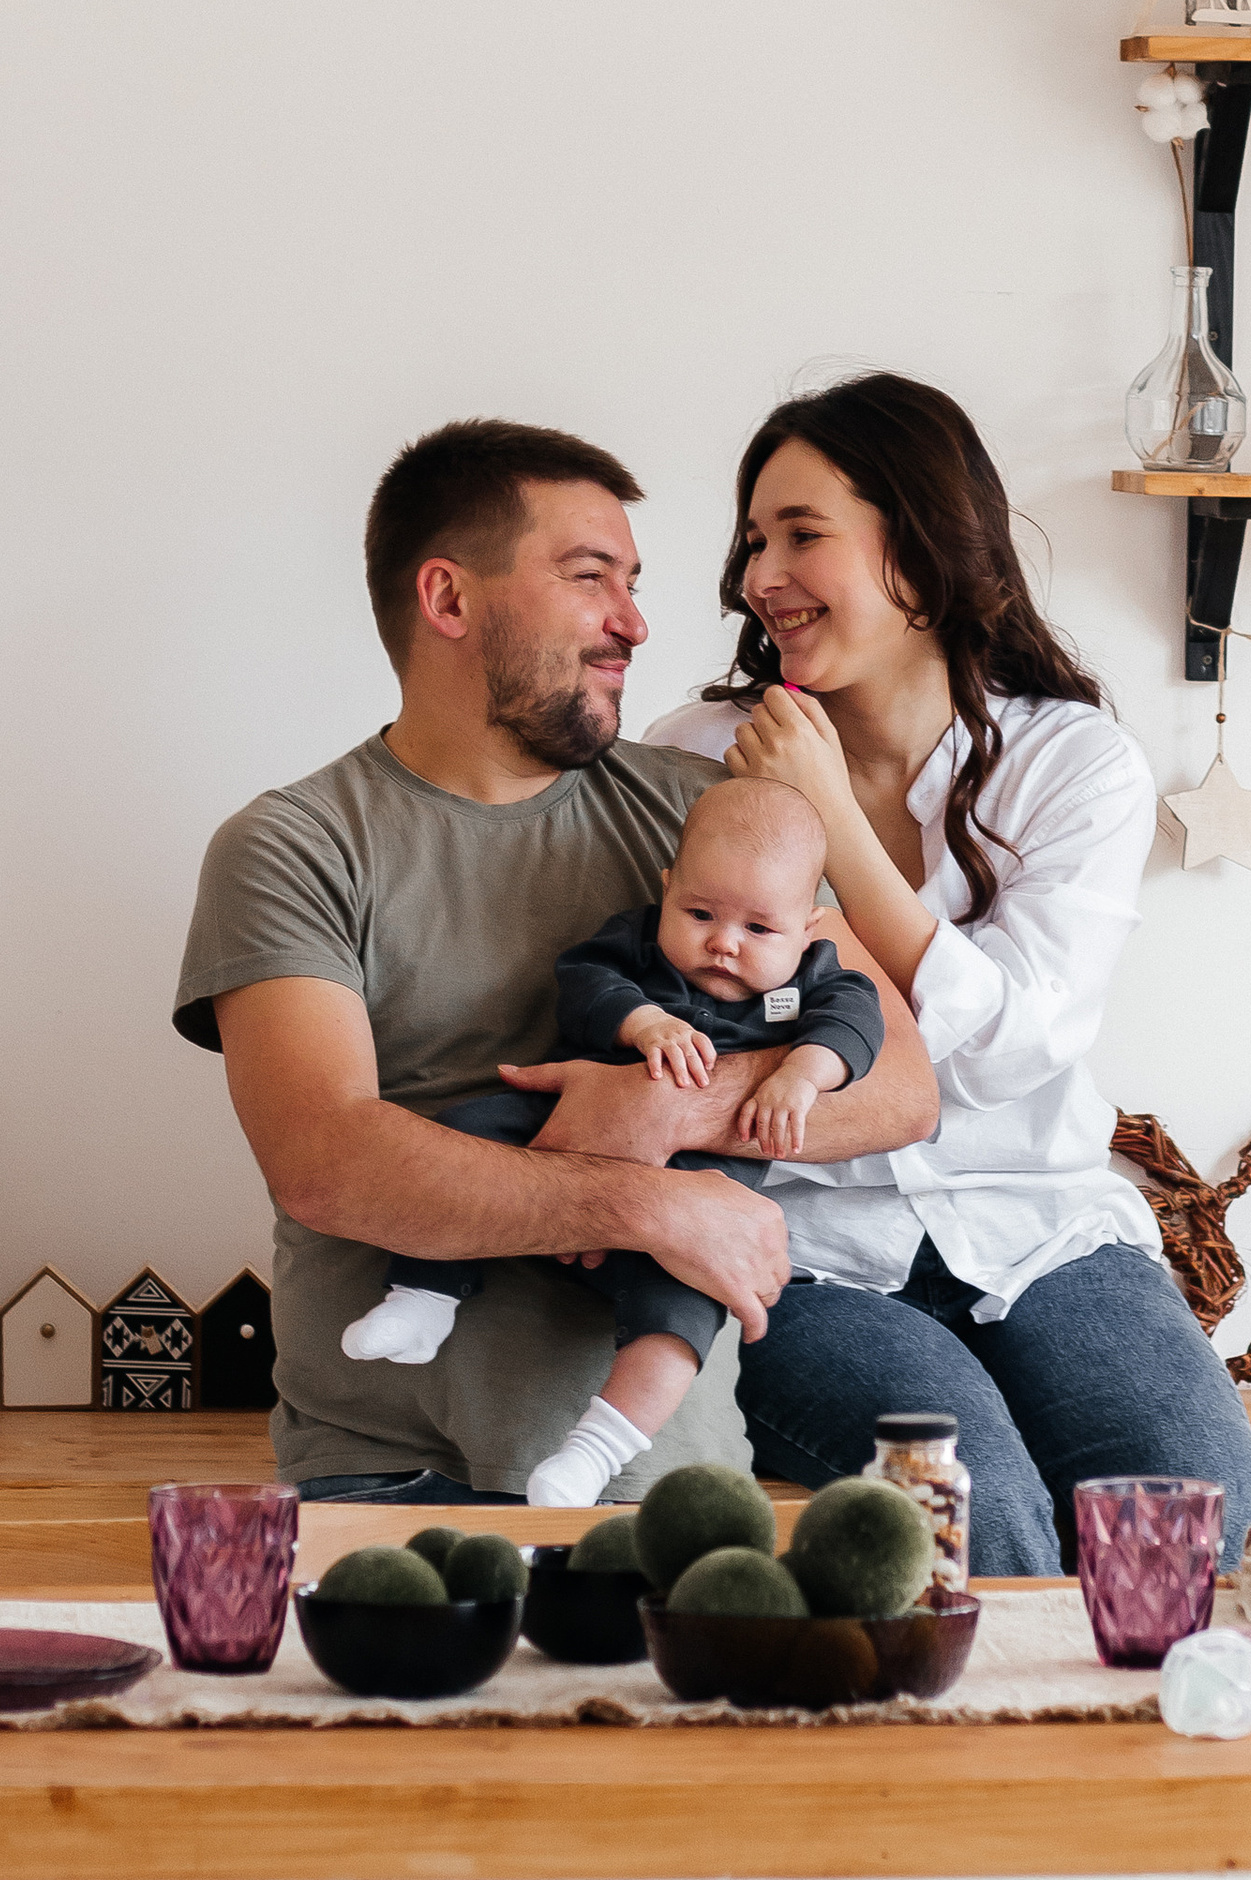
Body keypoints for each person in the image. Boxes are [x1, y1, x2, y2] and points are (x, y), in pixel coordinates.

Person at [174, 417, 939, 1504]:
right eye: (590, 578)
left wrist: (667, 1112)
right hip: (386, 1474)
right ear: (449, 600)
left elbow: (903, 1085)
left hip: (665, 1478)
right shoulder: (293, 846)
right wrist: (645, 1204)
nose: (632, 621)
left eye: (632, 582)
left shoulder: (710, 821)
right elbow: (324, 1157)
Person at [646, 369, 1251, 1575]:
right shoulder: (693, 762)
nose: (757, 578)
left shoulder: (1073, 762)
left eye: (802, 535)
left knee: (1205, 1536)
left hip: (1042, 1228)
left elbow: (1012, 1047)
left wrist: (826, 813)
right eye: (753, 541)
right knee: (987, 1532)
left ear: (922, 559)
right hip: (806, 1244)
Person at [339, 773, 886, 1508]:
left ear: (810, 926)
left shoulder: (817, 980)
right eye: (699, 912)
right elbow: (585, 982)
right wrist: (644, 1023)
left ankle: (594, 1452)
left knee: (687, 1310)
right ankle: (424, 1297)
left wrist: (802, 1076)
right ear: (668, 888)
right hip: (566, 1130)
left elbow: (858, 1025)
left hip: (696, 1196)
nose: (723, 943)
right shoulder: (636, 946)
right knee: (463, 1134)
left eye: (760, 930)